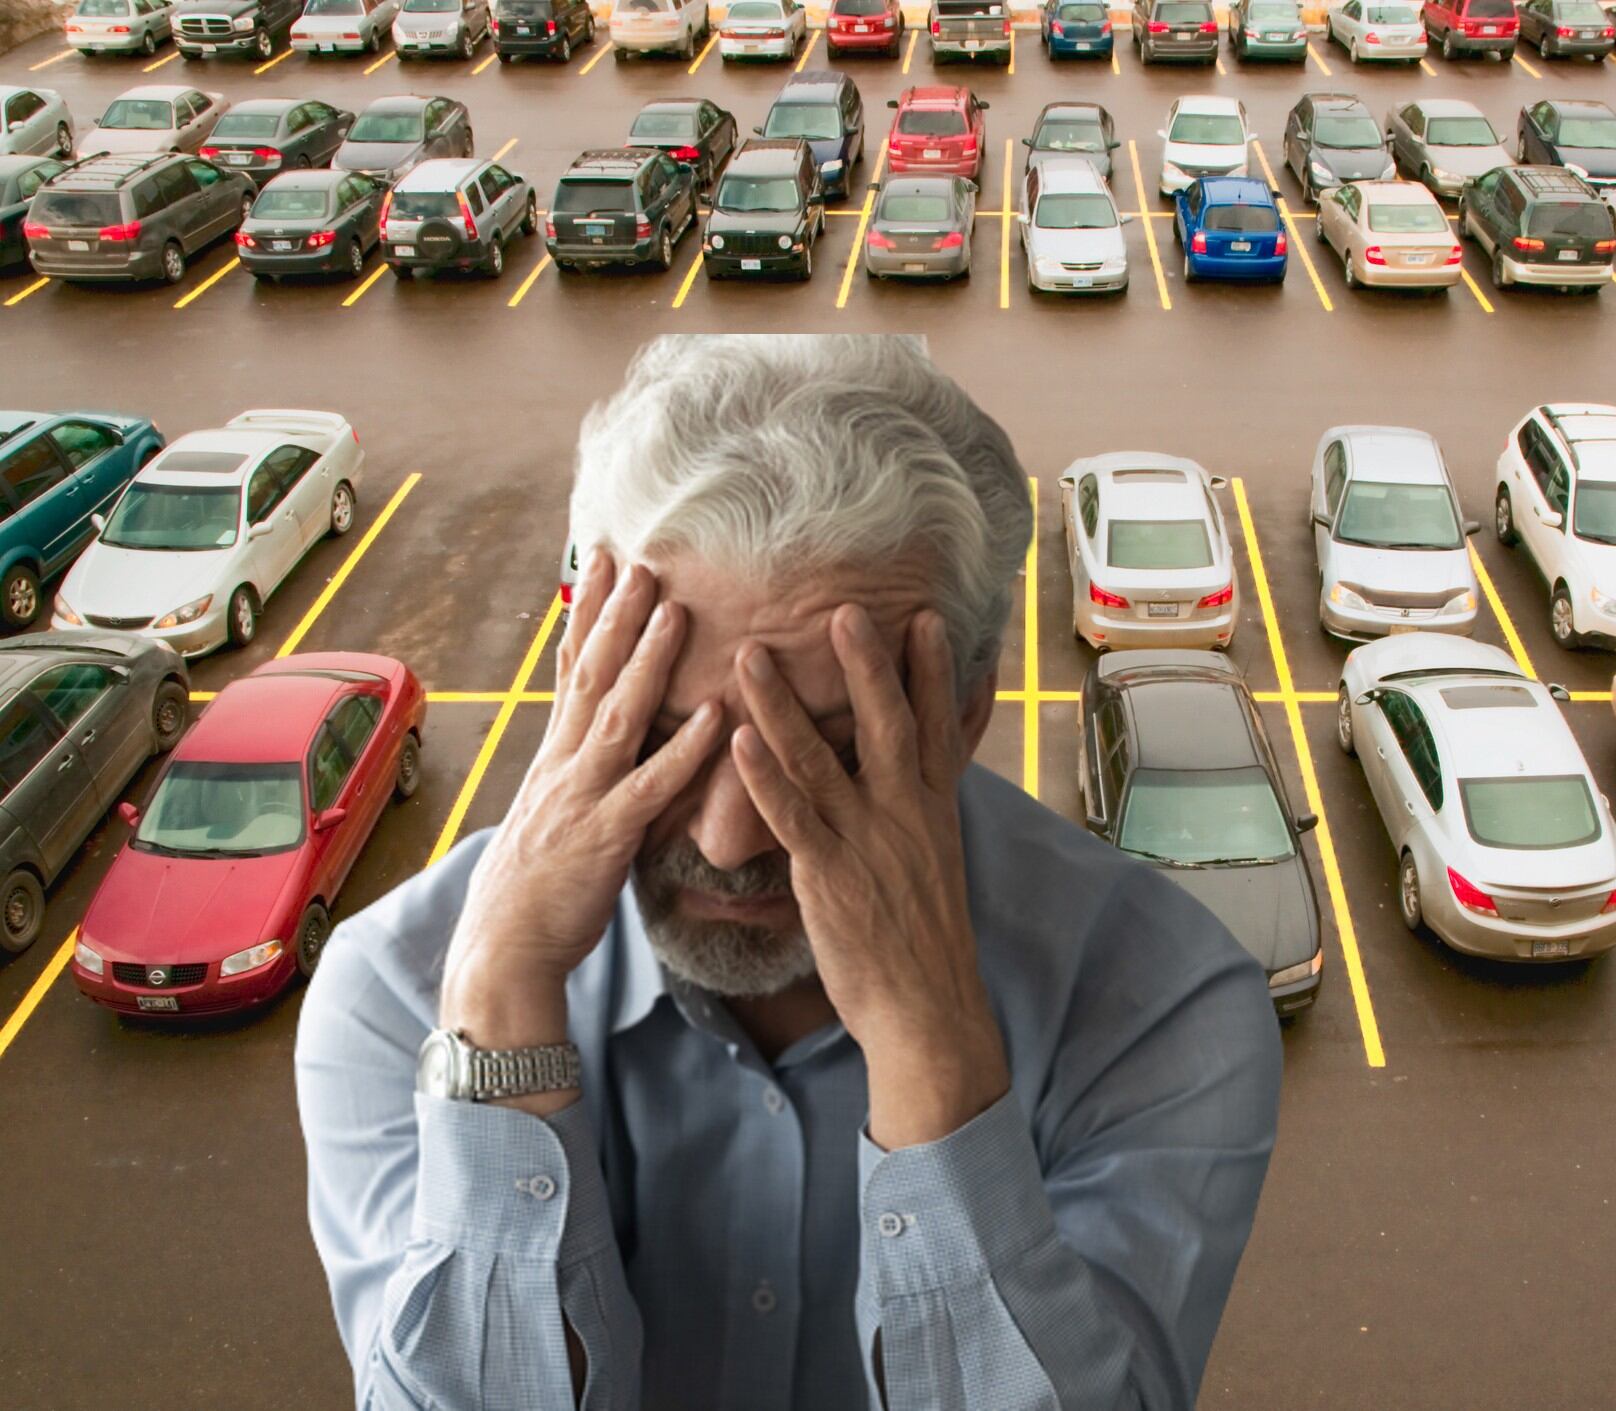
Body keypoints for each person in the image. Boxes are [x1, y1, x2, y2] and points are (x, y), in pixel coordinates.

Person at [292, 336, 1284, 1411]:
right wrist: (497, 1015)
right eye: (662, 738)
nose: (727, 839)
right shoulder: (400, 989)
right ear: (584, 680)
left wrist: (933, 1052)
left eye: (824, 754)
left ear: (964, 712)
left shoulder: (1164, 1007)